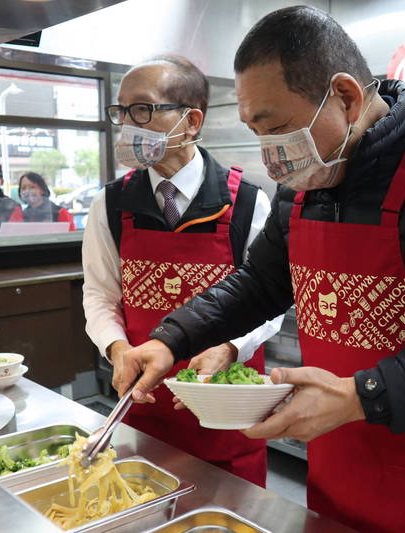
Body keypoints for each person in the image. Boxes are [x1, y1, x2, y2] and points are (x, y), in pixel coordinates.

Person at [113, 7, 405, 533]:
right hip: (338, 476)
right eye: (255, 132)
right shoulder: (305, 186)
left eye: (277, 127)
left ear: (346, 98)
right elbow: (260, 285)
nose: (270, 154)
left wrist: (359, 396)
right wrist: (171, 340)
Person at [82, 55, 283, 487]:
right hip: (143, 405)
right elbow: (99, 295)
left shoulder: (248, 202)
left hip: (226, 409)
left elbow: (272, 300)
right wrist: (116, 349)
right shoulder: (111, 204)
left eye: (143, 110)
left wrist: (230, 346)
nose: (127, 126)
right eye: (121, 112)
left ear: (191, 121)